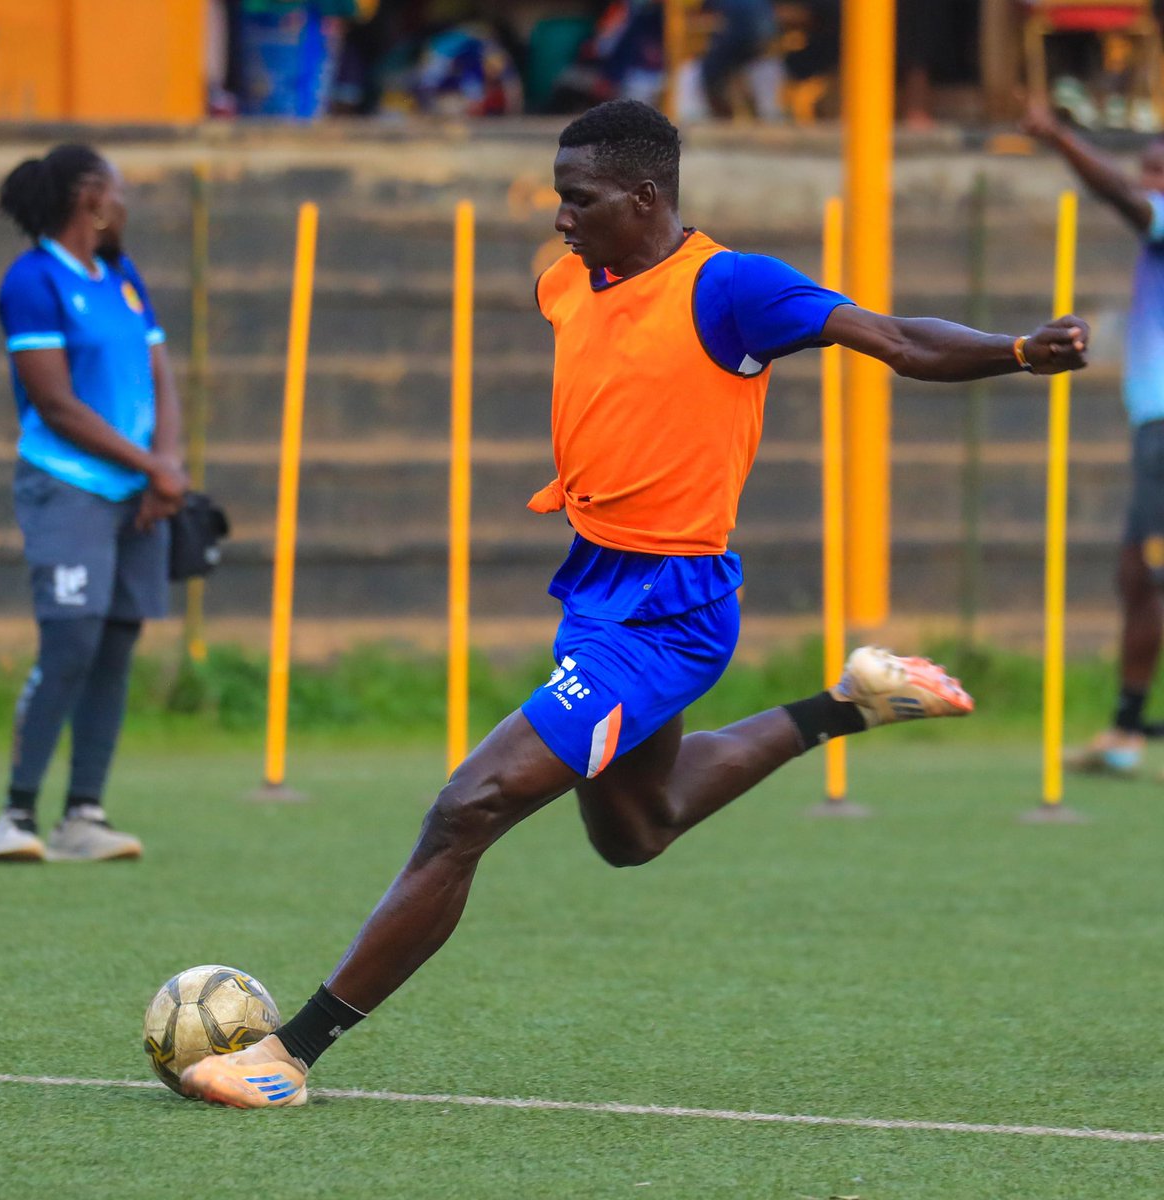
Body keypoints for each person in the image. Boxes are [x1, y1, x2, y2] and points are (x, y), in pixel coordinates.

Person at [181, 100, 1089, 1108]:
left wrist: (1014, 351)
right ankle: (849, 703)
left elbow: (897, 340)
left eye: (580, 200)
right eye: (558, 199)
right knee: (636, 830)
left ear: (646, 197)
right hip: (596, 593)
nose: (561, 219)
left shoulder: (731, 287)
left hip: (670, 613)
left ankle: (288, 1055)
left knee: (467, 808)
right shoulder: (569, 280)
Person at [0, 144, 187, 863]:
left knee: (116, 645)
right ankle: (15, 815)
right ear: (92, 199)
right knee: (71, 639)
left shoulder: (123, 276)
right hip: (68, 485)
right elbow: (56, 404)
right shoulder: (31, 280)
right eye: (120, 192)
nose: (127, 205)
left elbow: (161, 373)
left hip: (139, 494)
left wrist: (169, 469)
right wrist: (151, 466)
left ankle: (83, 817)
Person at [1024, 103, 1164, 776]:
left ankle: (1129, 732)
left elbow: (1121, 197)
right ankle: (1130, 725)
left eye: (1160, 173)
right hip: (1153, 429)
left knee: (1152, 577)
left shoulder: (1157, 218)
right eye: (1148, 171)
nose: (1150, 183)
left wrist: (1056, 136)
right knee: (1136, 576)